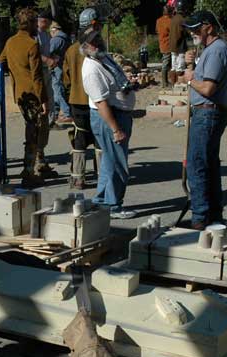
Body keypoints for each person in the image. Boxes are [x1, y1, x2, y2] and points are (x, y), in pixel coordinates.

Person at [183, 10, 227, 230]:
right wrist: (191, 66)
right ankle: (213, 215)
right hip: (208, 112)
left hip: (208, 112)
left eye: (196, 29)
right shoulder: (211, 50)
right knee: (209, 164)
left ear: (209, 27)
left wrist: (191, 80)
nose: (193, 33)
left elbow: (208, 88)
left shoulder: (216, 51)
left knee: (197, 164)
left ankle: (201, 217)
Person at [80, 28, 137, 219]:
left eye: (98, 39)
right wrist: (116, 129)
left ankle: (102, 201)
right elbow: (101, 103)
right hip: (109, 117)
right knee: (118, 163)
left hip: (118, 113)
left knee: (109, 162)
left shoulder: (103, 58)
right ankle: (114, 206)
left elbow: (116, 82)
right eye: (92, 42)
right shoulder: (90, 70)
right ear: (85, 47)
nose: (97, 44)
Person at [0, 7, 52, 188]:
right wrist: (44, 100)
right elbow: (37, 77)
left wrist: (15, 74)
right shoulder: (31, 44)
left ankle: (32, 167)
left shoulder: (10, 42)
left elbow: (0, 62)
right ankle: (28, 172)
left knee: (31, 130)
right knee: (33, 133)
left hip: (19, 94)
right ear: (30, 24)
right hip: (33, 96)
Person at [63, 7, 103, 189]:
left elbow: (66, 79)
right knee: (99, 138)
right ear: (92, 25)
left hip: (77, 100)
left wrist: (73, 92)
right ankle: (103, 175)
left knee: (79, 137)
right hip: (95, 100)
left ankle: (78, 178)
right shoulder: (97, 48)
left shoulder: (71, 50)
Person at [49, 20, 73, 125]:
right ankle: (55, 114)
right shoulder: (66, 38)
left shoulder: (56, 40)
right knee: (58, 89)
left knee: (57, 90)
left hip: (57, 67)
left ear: (54, 30)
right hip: (64, 66)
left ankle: (67, 113)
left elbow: (48, 51)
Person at [37, 10, 57, 129]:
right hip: (40, 69)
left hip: (47, 69)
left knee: (50, 95)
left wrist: (53, 57)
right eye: (48, 23)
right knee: (42, 96)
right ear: (43, 21)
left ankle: (50, 120)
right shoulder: (36, 34)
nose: (50, 26)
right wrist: (47, 60)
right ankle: (42, 120)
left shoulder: (46, 34)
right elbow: (34, 54)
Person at [168, 0, 190, 78]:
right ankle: (178, 84)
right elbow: (187, 32)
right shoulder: (182, 20)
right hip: (180, 46)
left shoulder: (173, 19)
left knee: (174, 67)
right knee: (180, 68)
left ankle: (173, 84)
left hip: (172, 46)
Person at [156, 6, 172, 87]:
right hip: (168, 44)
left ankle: (166, 81)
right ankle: (165, 82)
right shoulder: (169, 21)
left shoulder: (158, 20)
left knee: (166, 62)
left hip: (162, 43)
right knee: (166, 63)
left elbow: (157, 31)